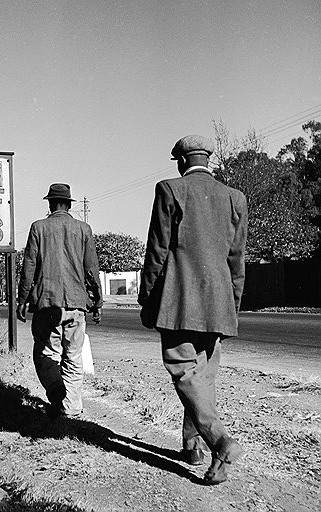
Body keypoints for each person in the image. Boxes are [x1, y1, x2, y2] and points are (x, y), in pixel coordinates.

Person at [138, 135, 248, 485]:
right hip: (218, 301)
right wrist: (233, 304)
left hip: (179, 299)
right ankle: (193, 446)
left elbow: (158, 250)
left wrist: (148, 298)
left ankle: (219, 440)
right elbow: (236, 259)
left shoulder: (170, 189)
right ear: (207, 159)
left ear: (180, 161)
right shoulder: (235, 198)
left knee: (184, 371)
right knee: (203, 377)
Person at [17, 183, 103, 420]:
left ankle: (56, 390)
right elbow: (91, 270)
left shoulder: (38, 228)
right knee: (74, 357)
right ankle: (72, 408)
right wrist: (97, 301)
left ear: (50, 203)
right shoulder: (84, 229)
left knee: (46, 354)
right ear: (69, 204)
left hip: (47, 304)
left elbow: (29, 268)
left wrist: (22, 299)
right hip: (77, 304)